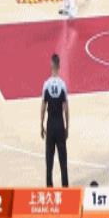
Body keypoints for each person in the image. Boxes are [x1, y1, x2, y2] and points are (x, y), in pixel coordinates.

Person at [40, 54, 69, 187]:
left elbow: (43, 107)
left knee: (49, 161)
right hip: (59, 124)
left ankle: (49, 188)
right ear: (59, 66)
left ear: (51, 66)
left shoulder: (46, 84)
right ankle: (65, 189)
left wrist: (41, 125)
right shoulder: (62, 85)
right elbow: (66, 109)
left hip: (50, 125)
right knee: (63, 161)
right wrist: (67, 127)